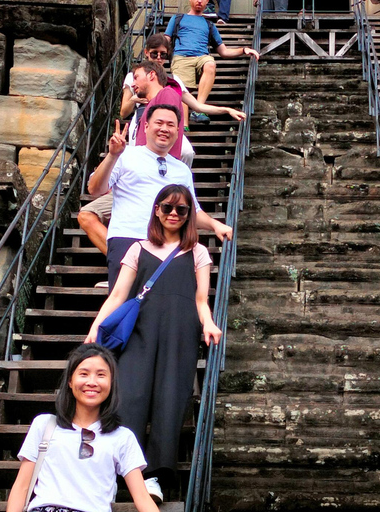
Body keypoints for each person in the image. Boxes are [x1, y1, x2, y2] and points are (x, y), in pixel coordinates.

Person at [85, 184, 222, 502]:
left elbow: (202, 300)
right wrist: (96, 327)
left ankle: (154, 477)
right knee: (130, 397)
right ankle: (120, 471)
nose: (173, 214)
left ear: (189, 215)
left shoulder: (198, 252)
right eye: (167, 208)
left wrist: (209, 324)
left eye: (181, 210)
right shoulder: (137, 248)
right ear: (156, 210)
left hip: (180, 334)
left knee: (169, 402)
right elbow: (118, 294)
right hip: (140, 333)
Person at [78, 60, 244, 259]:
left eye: (136, 77)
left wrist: (158, 162)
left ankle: (122, 262)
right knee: (90, 215)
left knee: (88, 215)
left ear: (151, 75)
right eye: (159, 123)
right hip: (134, 171)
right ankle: (121, 261)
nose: (133, 84)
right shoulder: (148, 108)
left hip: (149, 172)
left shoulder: (165, 96)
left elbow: (173, 134)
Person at [87, 104, 232, 290]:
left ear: (178, 131)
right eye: (159, 123)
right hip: (128, 238)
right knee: (123, 306)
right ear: (146, 126)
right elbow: (95, 189)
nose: (164, 129)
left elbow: (192, 210)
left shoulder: (182, 169)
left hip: (168, 245)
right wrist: (112, 156)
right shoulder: (126, 155)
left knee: (161, 309)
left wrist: (215, 225)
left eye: (171, 125)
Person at [6, 344, 161, 512]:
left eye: (101, 375)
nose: (92, 382)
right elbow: (21, 487)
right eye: (84, 374)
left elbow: (142, 498)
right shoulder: (44, 425)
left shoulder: (122, 437)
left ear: (111, 383)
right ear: (70, 381)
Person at [165, 0, 260, 124]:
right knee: (183, 89)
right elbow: (165, 40)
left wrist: (244, 50)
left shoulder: (209, 24)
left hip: (202, 57)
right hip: (181, 57)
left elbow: (223, 51)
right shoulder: (178, 18)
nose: (199, 1)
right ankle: (184, 127)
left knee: (210, 63)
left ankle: (198, 109)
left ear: (207, 2)